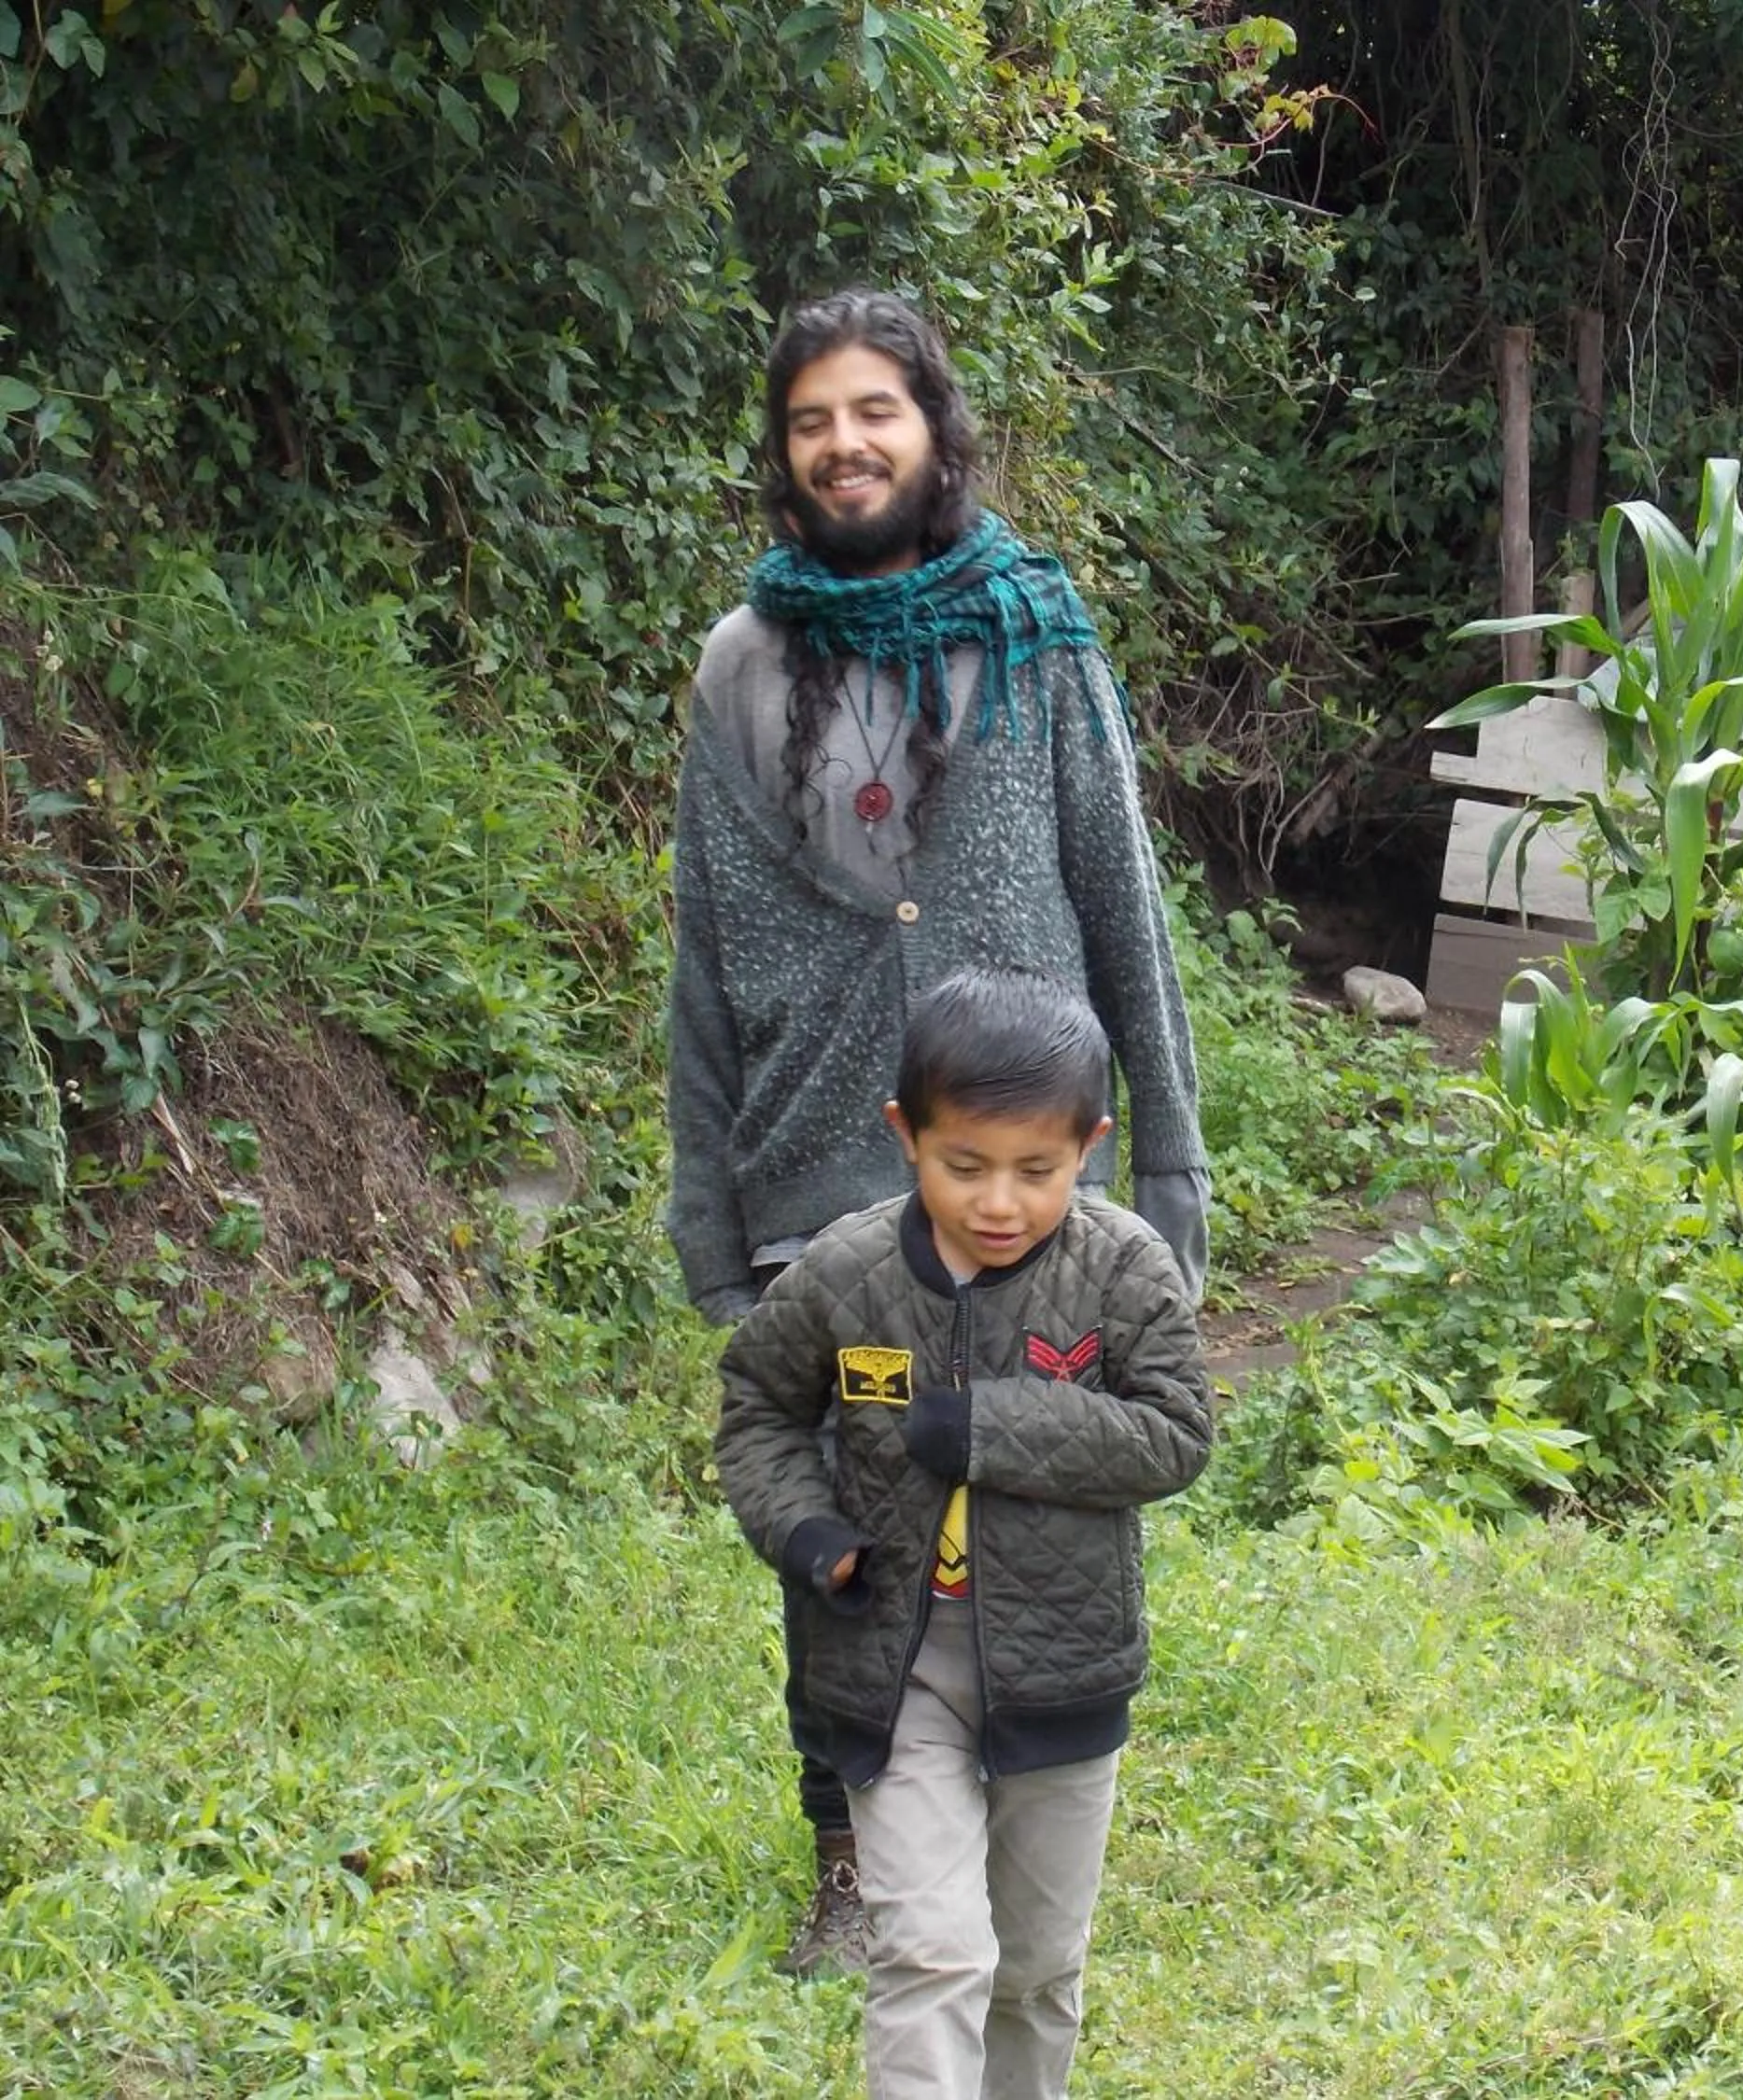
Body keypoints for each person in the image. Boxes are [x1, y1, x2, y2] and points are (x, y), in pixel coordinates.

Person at [666, 287, 1211, 1975]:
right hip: (813, 1157)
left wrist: (1171, 1168)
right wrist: (705, 1212)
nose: (846, 443)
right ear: (782, 450)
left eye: (876, 411)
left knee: (1032, 1492)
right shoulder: (741, 668)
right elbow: (699, 956)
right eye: (814, 418)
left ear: (934, 427)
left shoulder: (1037, 637)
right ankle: (855, 1843)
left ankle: (1023, 1805)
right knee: (843, 1517)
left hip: (1020, 1168)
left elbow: (1123, 903)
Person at [717, 967, 1213, 2098]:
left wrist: (987, 1426)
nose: (999, 1203)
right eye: (964, 1166)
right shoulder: (844, 1272)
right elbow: (757, 1404)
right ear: (906, 1136)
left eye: (1036, 1172)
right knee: (933, 1954)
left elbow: (1177, 1432)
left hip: (1062, 1676)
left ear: (1088, 1147)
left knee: (1033, 1974)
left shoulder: (1123, 1269)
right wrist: (802, 1528)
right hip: (893, 1673)